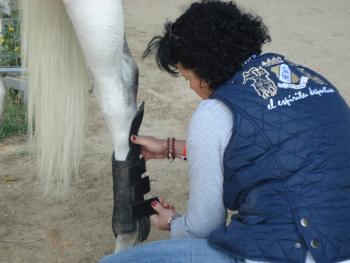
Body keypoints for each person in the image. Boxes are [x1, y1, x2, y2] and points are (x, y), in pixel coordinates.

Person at [100, 1, 350, 262]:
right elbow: (277, 148)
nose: (192, 88)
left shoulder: (214, 112)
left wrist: (173, 222)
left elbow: (203, 227)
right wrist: (172, 147)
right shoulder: (311, 80)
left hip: (293, 252)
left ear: (206, 71)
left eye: (189, 79)